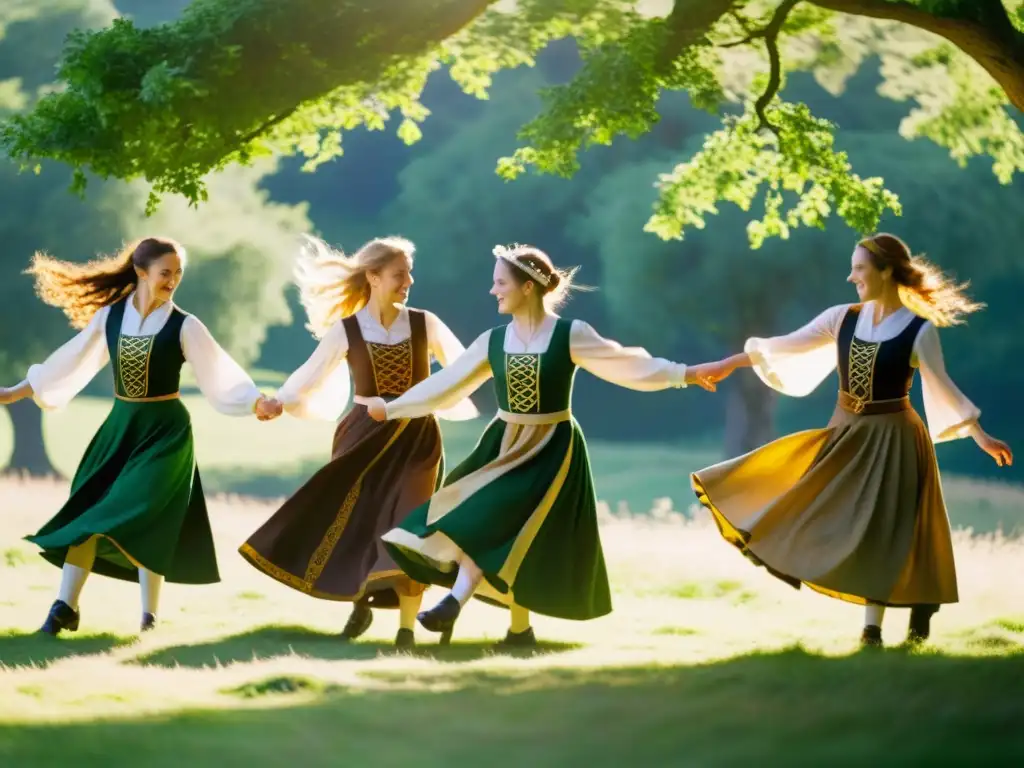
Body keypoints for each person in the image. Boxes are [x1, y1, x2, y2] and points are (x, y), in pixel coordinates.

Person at [366, 244, 720, 648]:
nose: (493, 290)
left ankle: (457, 603)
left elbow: (629, 365)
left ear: (528, 287)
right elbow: (444, 386)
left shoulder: (571, 334)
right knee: (485, 522)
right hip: (503, 445)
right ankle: (516, 629)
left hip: (552, 447)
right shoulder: (492, 342)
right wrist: (392, 408)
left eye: (500, 283)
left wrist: (686, 374)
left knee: (514, 532)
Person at [689, 233, 1013, 647]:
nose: (851, 276)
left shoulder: (919, 331)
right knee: (813, 501)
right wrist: (725, 364)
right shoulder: (841, 318)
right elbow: (784, 347)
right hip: (845, 431)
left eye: (860, 268)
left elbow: (942, 386)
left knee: (886, 528)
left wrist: (978, 434)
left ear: (886, 272)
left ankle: (877, 627)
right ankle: (785, 548)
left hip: (894, 437)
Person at [0, 237, 280, 636]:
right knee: (89, 515)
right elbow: (69, 361)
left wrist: (257, 402)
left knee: (150, 516)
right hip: (120, 429)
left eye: (178, 273)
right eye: (166, 272)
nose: (173, 280)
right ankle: (65, 607)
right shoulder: (110, 318)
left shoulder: (186, 325)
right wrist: (14, 392)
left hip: (166, 433)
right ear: (141, 271)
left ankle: (149, 618)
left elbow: (219, 372)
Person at [239, 235, 478, 648]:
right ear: (373, 277)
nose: (409, 281)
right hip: (362, 436)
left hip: (417, 437)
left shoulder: (426, 323)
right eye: (399, 274)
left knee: (409, 531)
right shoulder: (346, 330)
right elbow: (308, 376)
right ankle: (360, 599)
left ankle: (406, 632)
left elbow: (464, 370)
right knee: (361, 526)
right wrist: (278, 402)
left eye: (409, 273)